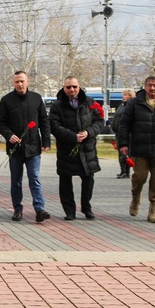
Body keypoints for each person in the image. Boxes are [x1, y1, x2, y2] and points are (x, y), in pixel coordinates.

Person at [116, 76, 155, 223]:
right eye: (150, 85)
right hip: (139, 149)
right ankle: (135, 197)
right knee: (140, 177)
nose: (152, 88)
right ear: (145, 87)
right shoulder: (134, 103)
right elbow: (124, 125)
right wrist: (123, 144)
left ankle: (153, 210)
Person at [0, 71, 51, 223]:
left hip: (33, 147)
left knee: (34, 178)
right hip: (16, 149)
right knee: (16, 180)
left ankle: (39, 209)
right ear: (13, 83)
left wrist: (46, 141)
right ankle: (17, 209)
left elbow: (44, 121)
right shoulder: (6, 100)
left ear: (28, 82)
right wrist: (8, 135)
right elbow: (0, 122)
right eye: (17, 82)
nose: (20, 84)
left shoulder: (36, 98)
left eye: (22, 81)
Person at [49, 77, 105, 221]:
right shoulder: (57, 105)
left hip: (87, 149)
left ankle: (86, 207)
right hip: (67, 149)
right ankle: (69, 210)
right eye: (69, 87)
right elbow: (54, 126)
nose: (72, 90)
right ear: (64, 88)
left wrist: (89, 133)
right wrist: (72, 136)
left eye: (74, 86)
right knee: (65, 180)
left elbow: (99, 121)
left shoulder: (89, 102)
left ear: (79, 87)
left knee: (88, 178)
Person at [114, 89, 135, 178]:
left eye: (126, 94)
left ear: (130, 96)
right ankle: (123, 170)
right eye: (124, 94)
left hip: (127, 134)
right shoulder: (122, 105)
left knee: (125, 153)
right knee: (120, 153)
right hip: (118, 132)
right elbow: (117, 117)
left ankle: (126, 172)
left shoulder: (131, 106)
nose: (124, 96)